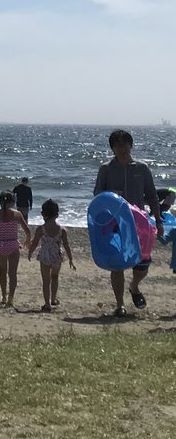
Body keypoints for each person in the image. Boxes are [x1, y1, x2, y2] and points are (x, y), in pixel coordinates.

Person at [93, 129, 162, 315]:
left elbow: (152, 196)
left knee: (143, 264)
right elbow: (97, 194)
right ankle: (119, 305)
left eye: (125, 144)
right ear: (112, 148)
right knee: (117, 264)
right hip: (114, 224)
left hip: (139, 223)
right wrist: (113, 197)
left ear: (131, 145)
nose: (122, 148)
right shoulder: (106, 169)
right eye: (118, 145)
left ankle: (134, 286)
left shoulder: (142, 168)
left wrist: (158, 220)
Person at [27, 199, 75, 312]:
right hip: (57, 255)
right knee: (55, 277)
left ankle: (47, 304)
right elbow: (66, 245)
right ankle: (53, 299)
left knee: (46, 280)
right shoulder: (62, 230)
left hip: (44, 255)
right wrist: (70, 258)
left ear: (43, 214)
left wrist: (30, 252)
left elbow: (35, 243)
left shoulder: (41, 229)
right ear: (57, 214)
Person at [0, 191, 31, 307]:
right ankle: (11, 297)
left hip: (2, 245)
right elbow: (27, 230)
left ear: (0, 201)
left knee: (2, 271)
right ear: (13, 202)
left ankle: (4, 296)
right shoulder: (17, 214)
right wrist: (28, 240)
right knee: (12, 273)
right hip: (13, 245)